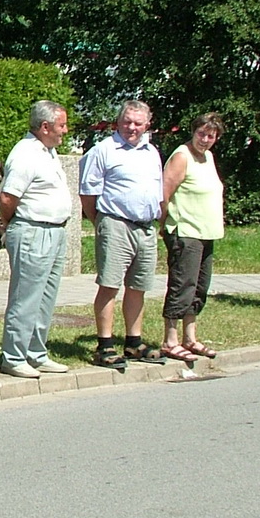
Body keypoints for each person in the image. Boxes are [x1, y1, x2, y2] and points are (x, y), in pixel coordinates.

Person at [79, 99, 167, 370]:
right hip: (115, 223)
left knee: (139, 286)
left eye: (138, 123)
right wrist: (101, 223)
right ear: (117, 122)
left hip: (145, 227)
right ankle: (104, 345)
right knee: (109, 285)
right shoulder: (103, 151)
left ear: (147, 125)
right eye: (127, 122)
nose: (132, 127)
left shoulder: (151, 151)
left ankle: (133, 341)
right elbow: (88, 194)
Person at [0, 100, 74, 378]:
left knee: (45, 297)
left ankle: (36, 352)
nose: (65, 131)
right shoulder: (26, 154)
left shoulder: (48, 152)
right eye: (61, 125)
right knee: (26, 297)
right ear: (45, 127)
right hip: (32, 231)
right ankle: (14, 356)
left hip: (55, 231)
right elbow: (8, 197)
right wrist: (12, 225)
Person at [160, 112, 226, 363]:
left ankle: (190, 337)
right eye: (201, 134)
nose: (205, 140)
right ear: (193, 131)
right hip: (185, 232)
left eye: (211, 136)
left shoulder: (208, 157)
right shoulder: (181, 156)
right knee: (182, 286)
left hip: (206, 232)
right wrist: (165, 222)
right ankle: (170, 339)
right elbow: (164, 192)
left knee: (199, 287)